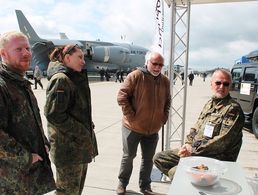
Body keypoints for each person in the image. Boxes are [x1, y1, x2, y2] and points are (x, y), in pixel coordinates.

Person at [153, 68, 245, 180]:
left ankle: (194, 182)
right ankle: (192, 180)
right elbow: (196, 126)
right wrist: (188, 143)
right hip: (198, 152)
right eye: (218, 83)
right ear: (211, 84)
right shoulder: (210, 103)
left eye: (226, 84)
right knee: (159, 158)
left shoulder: (233, 109)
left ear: (230, 86)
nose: (221, 87)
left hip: (216, 159)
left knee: (175, 171)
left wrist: (193, 151)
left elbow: (222, 141)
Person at [0, 31, 56, 194]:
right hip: (11, 182)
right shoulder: (3, 86)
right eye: (18, 49)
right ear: (3, 53)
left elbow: (30, 121)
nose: (26, 53)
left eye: (27, 48)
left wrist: (44, 143)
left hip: (28, 178)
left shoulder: (21, 84)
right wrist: (26, 157)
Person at [44, 44, 98, 195]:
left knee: (75, 191)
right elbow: (54, 114)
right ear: (67, 58)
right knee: (67, 192)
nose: (83, 61)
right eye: (79, 57)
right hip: (68, 150)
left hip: (79, 147)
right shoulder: (61, 80)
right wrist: (82, 131)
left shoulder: (74, 77)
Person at [116, 51, 171, 195]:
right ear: (147, 62)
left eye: (160, 64)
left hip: (152, 130)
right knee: (128, 156)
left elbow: (168, 101)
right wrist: (132, 116)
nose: (157, 67)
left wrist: (163, 118)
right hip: (132, 128)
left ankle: (145, 186)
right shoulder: (135, 76)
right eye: (154, 63)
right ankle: (122, 183)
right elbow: (122, 97)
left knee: (148, 159)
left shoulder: (165, 81)